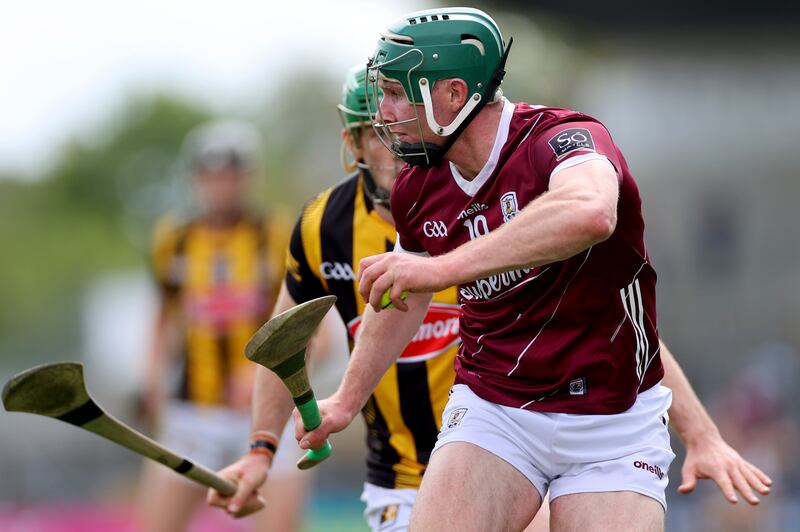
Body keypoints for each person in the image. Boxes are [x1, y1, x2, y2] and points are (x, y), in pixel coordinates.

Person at [293, 8, 773, 531]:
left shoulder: (565, 140)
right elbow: (404, 297)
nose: (384, 113)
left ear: (454, 95)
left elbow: (591, 213)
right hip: (494, 407)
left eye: (396, 93)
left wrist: (442, 268)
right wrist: (346, 398)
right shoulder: (418, 186)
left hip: (612, 418)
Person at [206, 64, 532, 532]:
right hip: (401, 479)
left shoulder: (489, 201)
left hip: (512, 459)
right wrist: (261, 450)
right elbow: (283, 343)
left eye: (403, 128)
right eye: (376, 133)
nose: (394, 146)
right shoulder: (323, 228)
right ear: (353, 145)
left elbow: (580, 305)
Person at [137, 120, 303, 532]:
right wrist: (152, 383)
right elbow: (162, 320)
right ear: (195, 179)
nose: (220, 185)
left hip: (264, 416)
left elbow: (313, 329)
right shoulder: (173, 240)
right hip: (192, 413)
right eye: (210, 175)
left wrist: (263, 373)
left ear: (248, 178)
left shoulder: (277, 234)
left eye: (230, 175)